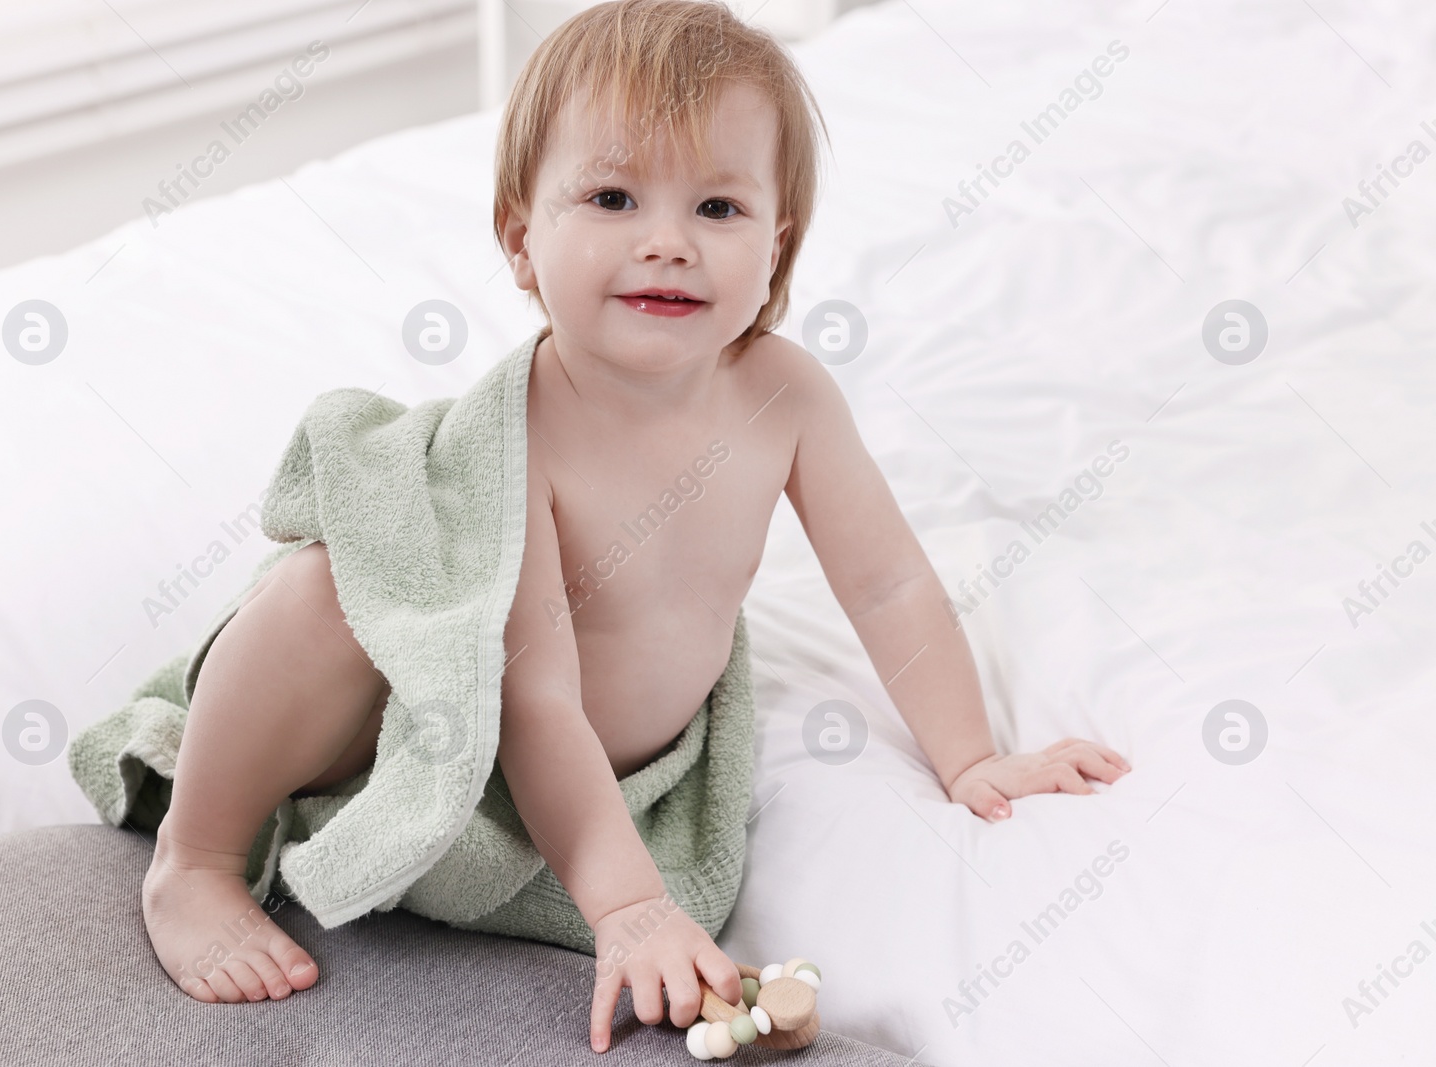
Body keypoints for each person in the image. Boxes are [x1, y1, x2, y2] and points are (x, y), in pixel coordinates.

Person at [139, 0, 1131, 1053]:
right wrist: (626, 905)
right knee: (314, 591)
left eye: (717, 207)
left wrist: (970, 757)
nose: (667, 242)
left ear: (775, 245)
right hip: (415, 709)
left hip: (573, 779)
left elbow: (886, 584)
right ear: (523, 242)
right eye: (613, 196)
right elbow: (533, 692)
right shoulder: (522, 436)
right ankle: (194, 857)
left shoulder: (783, 398)